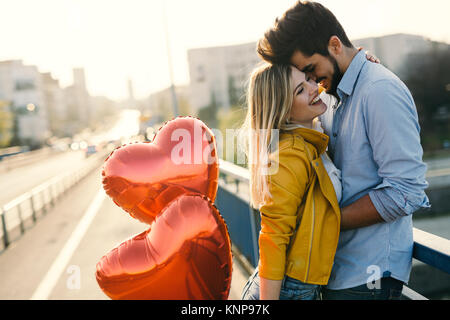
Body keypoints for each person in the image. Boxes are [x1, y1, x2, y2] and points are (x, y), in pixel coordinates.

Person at [256, 1, 430, 300]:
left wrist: (322, 221)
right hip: (332, 272)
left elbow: (406, 192)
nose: (313, 83)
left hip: (369, 276)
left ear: (334, 45)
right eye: (304, 78)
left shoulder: (378, 91)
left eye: (311, 71)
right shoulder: (332, 97)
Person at [240, 62, 341, 300]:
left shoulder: (310, 140)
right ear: (284, 110)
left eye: (308, 78)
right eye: (299, 90)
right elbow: (273, 237)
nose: (313, 88)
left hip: (298, 288)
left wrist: (362, 60)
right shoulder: (291, 155)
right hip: (287, 291)